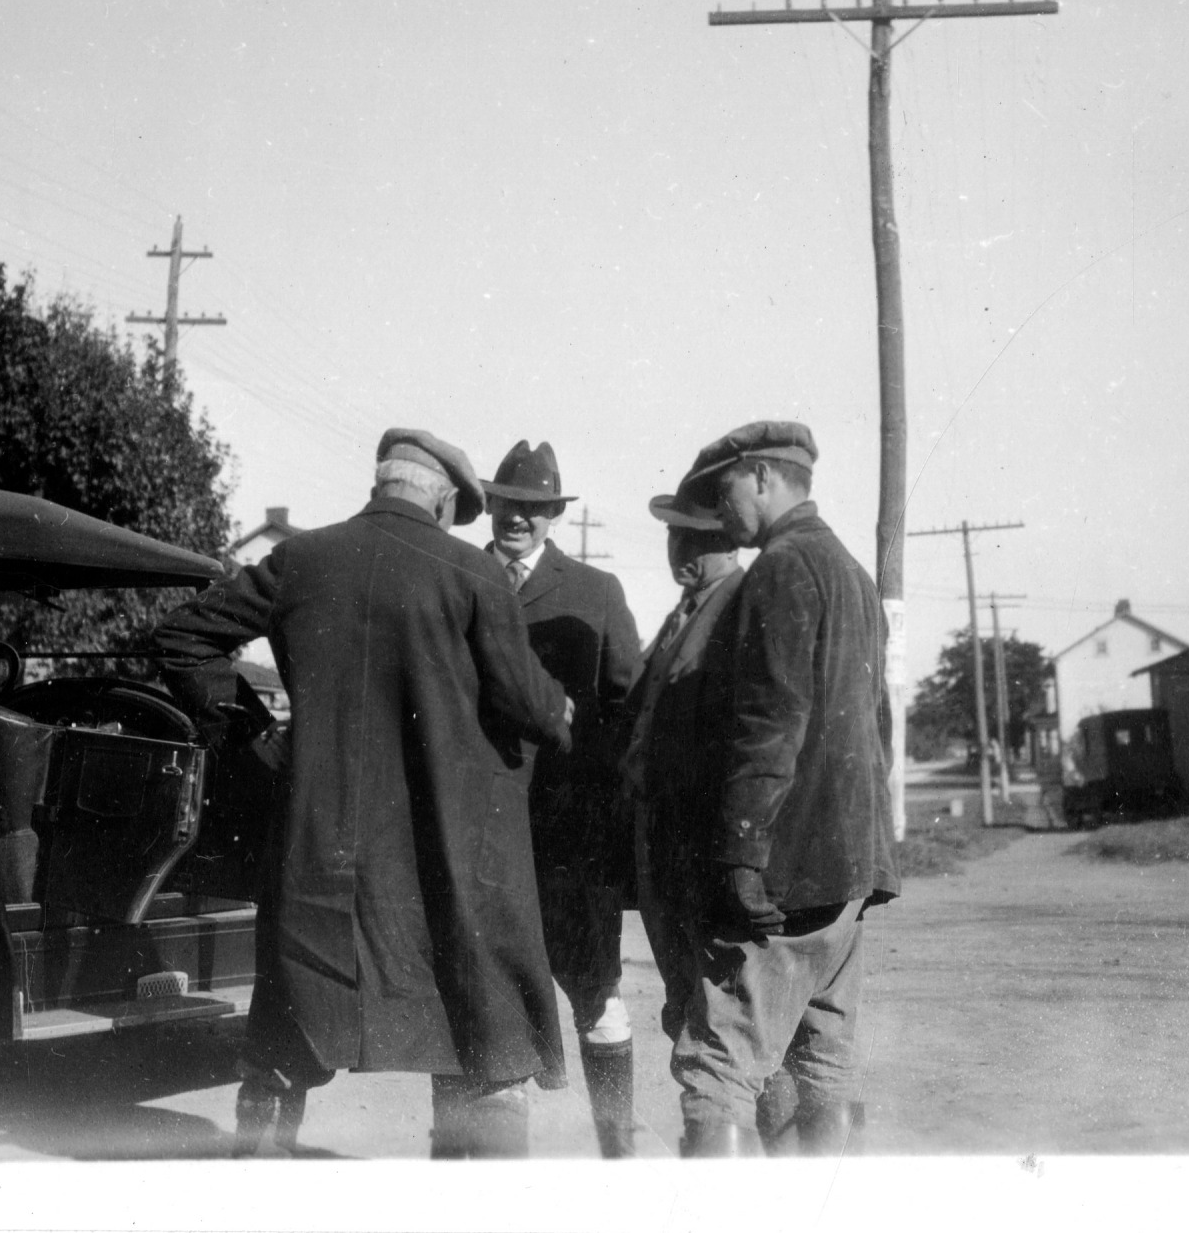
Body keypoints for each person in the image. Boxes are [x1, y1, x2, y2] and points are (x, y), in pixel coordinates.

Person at [155, 429, 573, 1159]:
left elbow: (181, 637)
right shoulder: (473, 572)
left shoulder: (301, 557)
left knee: (283, 1035)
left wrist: (254, 734)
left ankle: (257, 1180)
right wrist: (558, 710)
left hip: (322, 852)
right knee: (482, 1031)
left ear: (381, 485)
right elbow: (527, 705)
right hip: (443, 853)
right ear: (441, 502)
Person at [669, 421, 901, 1158]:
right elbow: (879, 724)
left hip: (787, 871)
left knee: (719, 1067)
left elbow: (770, 723)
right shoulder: (852, 572)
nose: (720, 511)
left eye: (725, 491)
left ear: (764, 478)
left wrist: (742, 851)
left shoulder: (781, 567)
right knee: (825, 1060)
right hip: (849, 871)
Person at [618, 478, 808, 1152]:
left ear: (727, 542)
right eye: (677, 535)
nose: (682, 549)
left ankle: (776, 1173)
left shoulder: (737, 606)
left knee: (729, 1034)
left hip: (701, 852)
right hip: (663, 851)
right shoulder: (687, 611)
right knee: (691, 1014)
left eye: (697, 538)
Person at [481, 440, 645, 1157]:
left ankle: (619, 1157)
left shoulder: (594, 591)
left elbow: (628, 708)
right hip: (479, 830)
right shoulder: (459, 576)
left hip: (570, 837)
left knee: (596, 995)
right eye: (506, 504)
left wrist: (600, 809)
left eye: (533, 508)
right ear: (489, 505)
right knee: (489, 1001)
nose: (517, 518)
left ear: (553, 515)